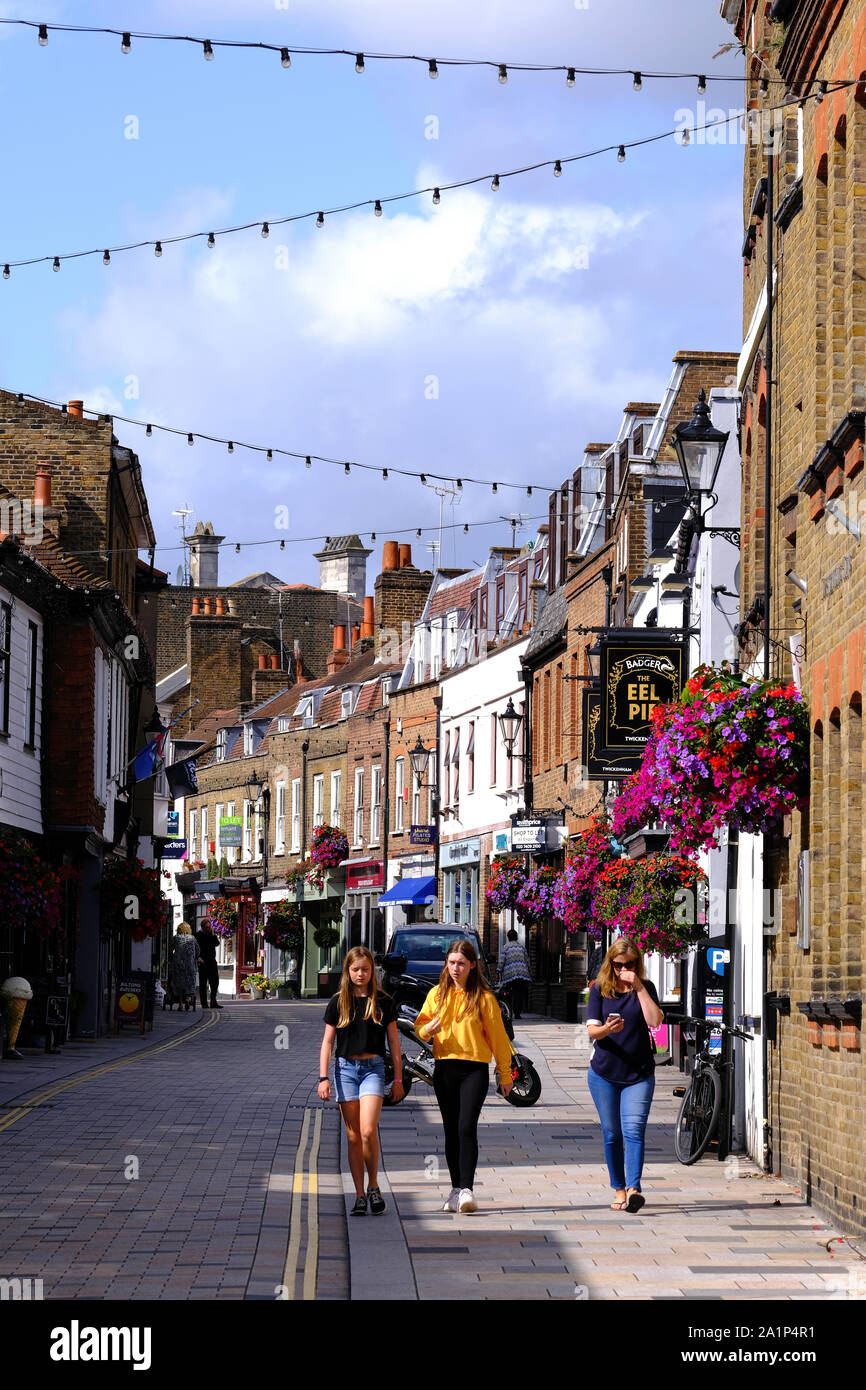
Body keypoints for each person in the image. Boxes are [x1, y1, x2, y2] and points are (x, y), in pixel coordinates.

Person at [415, 938, 513, 1215]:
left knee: (465, 1127)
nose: (455, 968)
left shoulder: (484, 998)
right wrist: (428, 1030)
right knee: (450, 1130)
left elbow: (499, 1039)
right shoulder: (436, 995)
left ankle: (467, 1189)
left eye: (461, 963)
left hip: (474, 1070)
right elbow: (420, 1028)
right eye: (451, 963)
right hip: (445, 1067)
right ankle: (455, 1188)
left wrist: (505, 1075)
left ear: (472, 965)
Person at [318, 947, 403, 1216]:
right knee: (353, 1136)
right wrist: (323, 1078)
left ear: (372, 971)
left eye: (365, 969)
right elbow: (327, 1042)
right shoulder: (338, 1002)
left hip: (373, 1069)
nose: (360, 974)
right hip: (345, 1071)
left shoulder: (384, 1001)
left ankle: (374, 1186)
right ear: (348, 971)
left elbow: (394, 1042)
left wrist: (398, 1078)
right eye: (355, 969)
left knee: (368, 1131)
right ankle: (359, 1194)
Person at [585, 937, 664, 1214]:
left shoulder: (646, 988)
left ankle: (634, 1190)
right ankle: (618, 1188)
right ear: (610, 963)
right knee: (612, 1133)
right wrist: (607, 1030)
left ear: (637, 964)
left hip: (639, 1073)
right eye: (618, 965)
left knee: (633, 1131)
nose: (623, 970)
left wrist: (639, 986)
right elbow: (591, 1032)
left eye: (629, 964)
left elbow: (655, 1021)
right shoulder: (599, 990)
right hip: (604, 1074)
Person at [497, 928, 532, 1018]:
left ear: (508, 938)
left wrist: (499, 970)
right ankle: (517, 1013)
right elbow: (527, 961)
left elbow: (501, 960)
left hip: (510, 974)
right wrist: (529, 971)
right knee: (519, 993)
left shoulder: (506, 947)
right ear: (516, 937)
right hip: (522, 974)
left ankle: (509, 1011)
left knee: (508, 993)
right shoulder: (522, 947)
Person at [168, 922, 199, 1012]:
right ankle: (188, 999)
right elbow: (198, 950)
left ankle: (181, 1004)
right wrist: (195, 958)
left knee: (179, 984)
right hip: (190, 965)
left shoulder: (175, 938)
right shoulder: (192, 938)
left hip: (178, 965)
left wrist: (172, 958)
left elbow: (170, 949)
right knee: (189, 983)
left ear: (179, 929)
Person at [195, 918, 222, 1009]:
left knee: (215, 982)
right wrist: (198, 958)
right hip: (203, 962)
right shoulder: (198, 935)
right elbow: (194, 949)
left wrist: (213, 933)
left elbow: (217, 943)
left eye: (209, 927)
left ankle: (213, 1002)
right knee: (203, 984)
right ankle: (204, 1003)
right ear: (202, 927)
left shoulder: (211, 935)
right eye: (206, 927)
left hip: (212, 961)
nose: (208, 928)